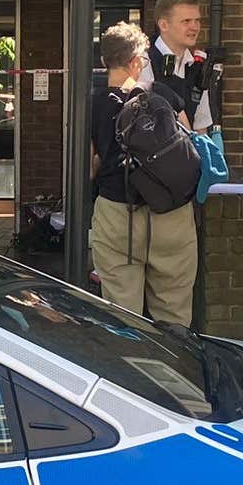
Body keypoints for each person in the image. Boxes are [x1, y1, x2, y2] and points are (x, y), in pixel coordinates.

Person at [89, 22, 198, 326]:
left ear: (106, 61)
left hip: (117, 214)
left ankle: (130, 371)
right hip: (171, 214)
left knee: (123, 317)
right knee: (174, 312)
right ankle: (175, 369)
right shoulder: (164, 96)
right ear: (136, 61)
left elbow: (89, 166)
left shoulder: (92, 104)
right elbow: (190, 145)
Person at [140, 0, 222, 133]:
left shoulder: (197, 67)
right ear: (164, 25)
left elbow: (201, 125)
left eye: (197, 21)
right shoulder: (143, 61)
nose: (194, 27)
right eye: (186, 21)